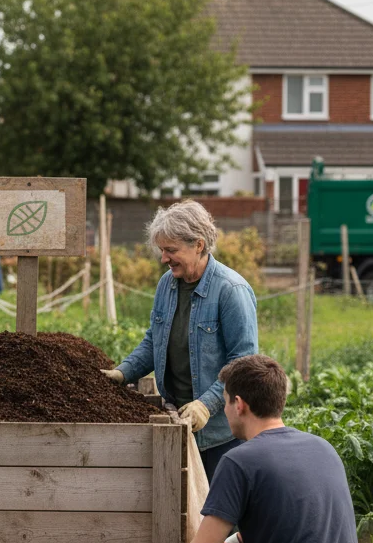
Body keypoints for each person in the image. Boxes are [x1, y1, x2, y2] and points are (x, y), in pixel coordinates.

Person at [120, 355, 366, 543]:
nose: (224, 411)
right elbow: (293, 520)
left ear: (239, 404)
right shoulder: (322, 448)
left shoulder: (240, 460)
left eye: (224, 403)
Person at [102, 200, 258, 481]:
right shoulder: (167, 284)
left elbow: (243, 363)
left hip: (220, 435)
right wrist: (123, 372)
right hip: (177, 421)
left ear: (198, 244)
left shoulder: (231, 290)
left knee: (218, 517)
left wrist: (206, 404)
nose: (164, 258)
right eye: (162, 250)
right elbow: (154, 342)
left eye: (171, 250)